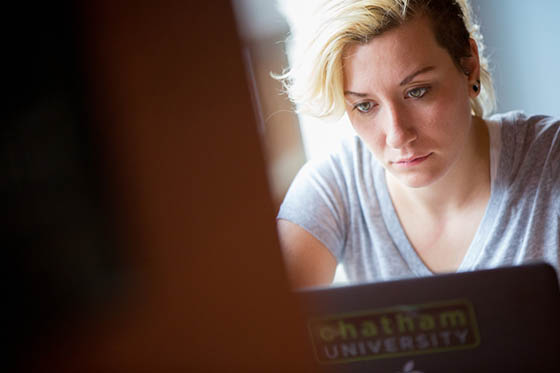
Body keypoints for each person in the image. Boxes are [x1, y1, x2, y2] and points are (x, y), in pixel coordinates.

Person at [275, 0, 560, 289]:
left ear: (469, 67)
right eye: (365, 106)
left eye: (418, 91)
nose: (397, 135)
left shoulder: (552, 161)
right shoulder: (335, 187)